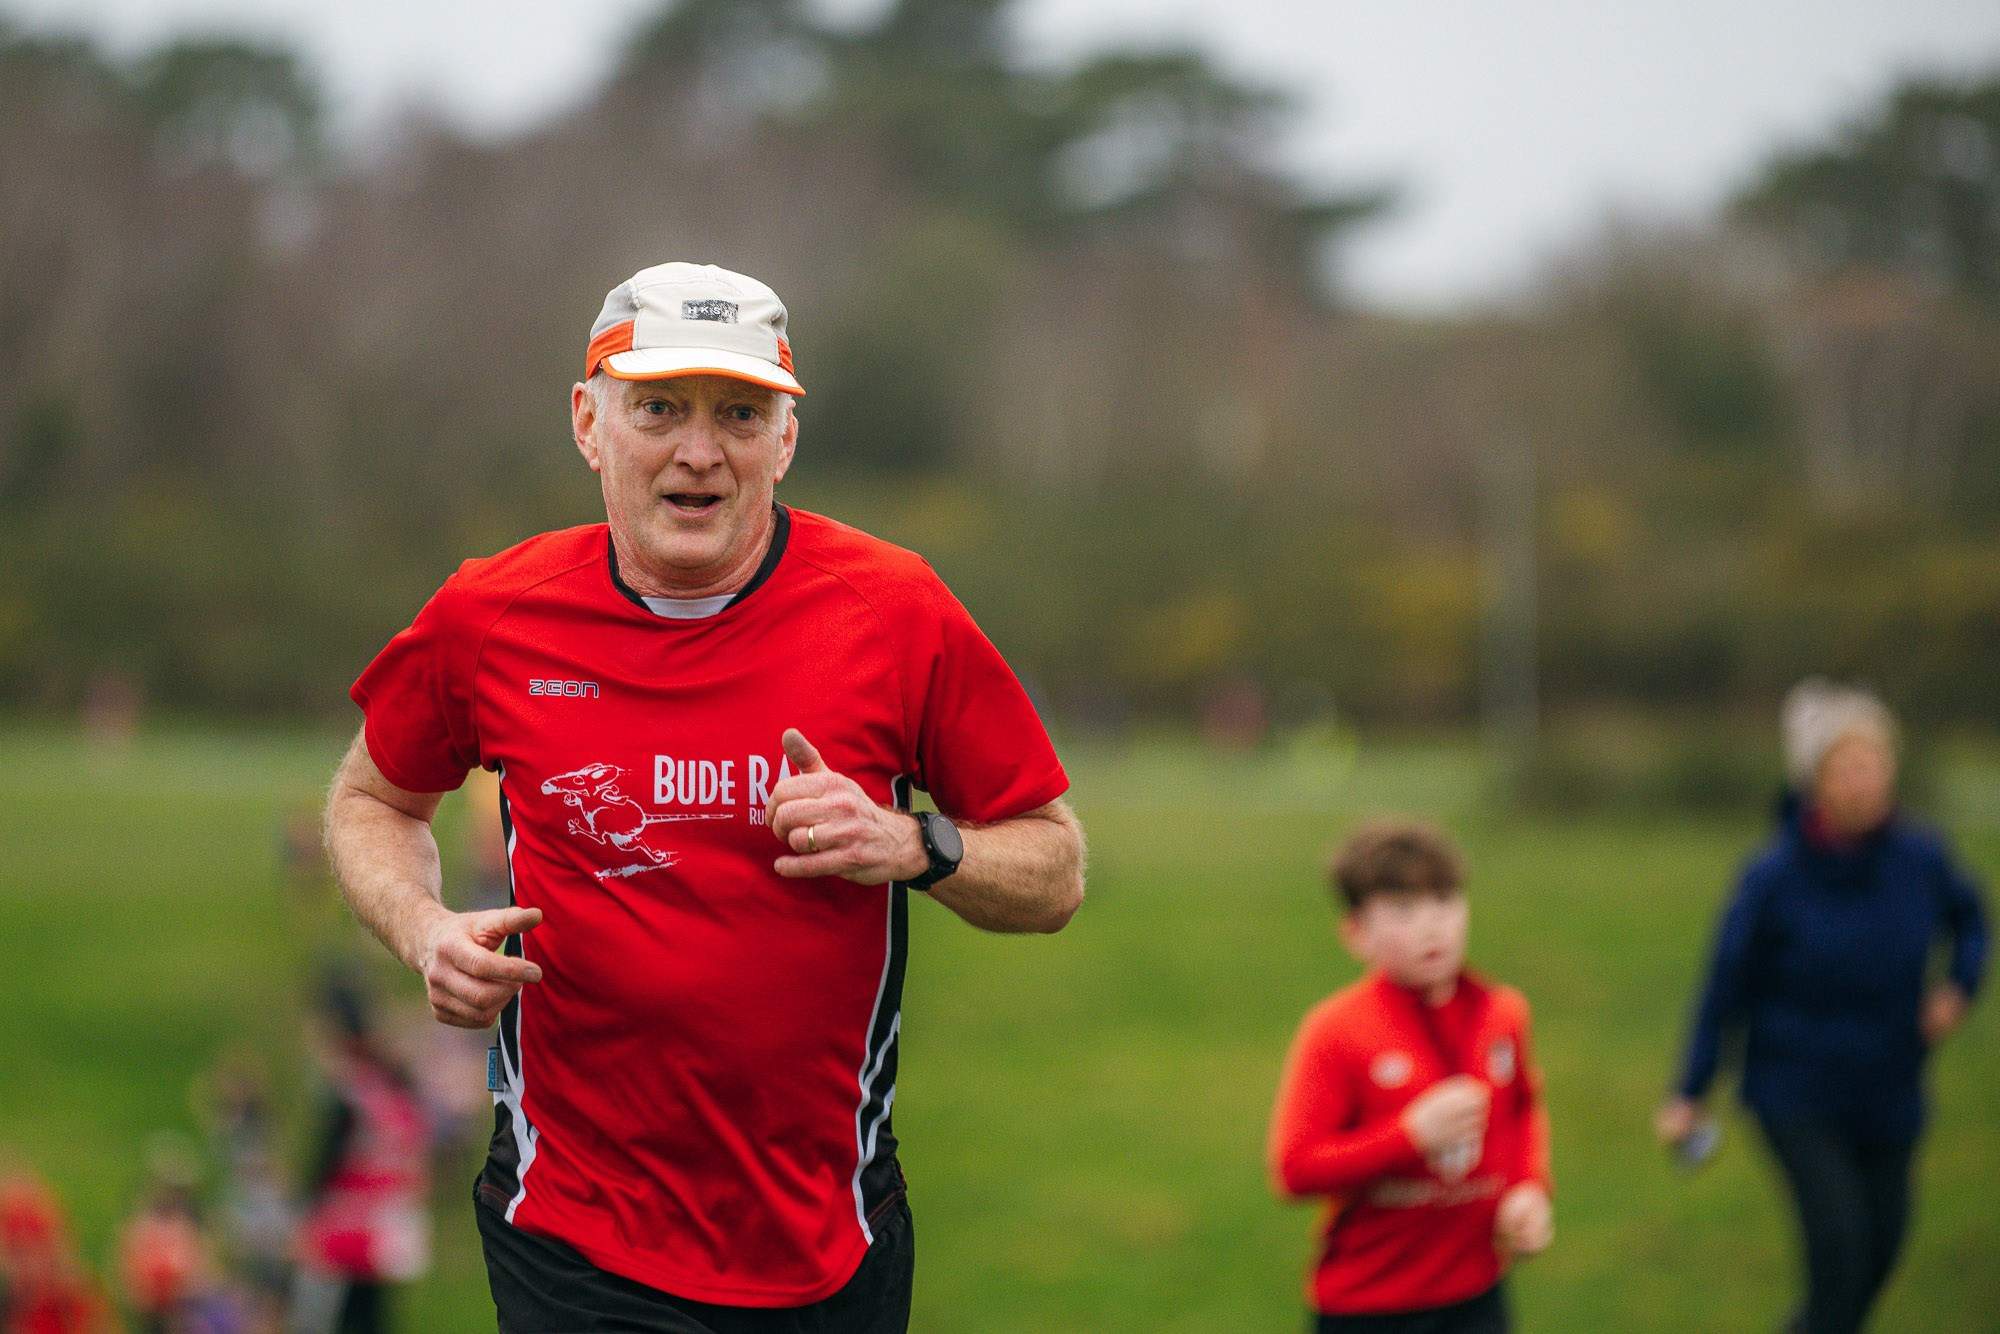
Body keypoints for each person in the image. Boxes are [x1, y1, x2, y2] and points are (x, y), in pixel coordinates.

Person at [321, 261, 1085, 1333]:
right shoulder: (492, 614)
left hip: (829, 1235)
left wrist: (914, 842)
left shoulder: (893, 610)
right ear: (589, 424)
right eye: (658, 408)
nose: (697, 449)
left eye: (738, 412)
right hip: (572, 1227)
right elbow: (372, 799)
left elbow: (1053, 867)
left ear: (784, 440)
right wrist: (421, 927)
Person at [1656, 680, 1988, 1334]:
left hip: (1891, 1086)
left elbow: (1971, 920)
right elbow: (1725, 985)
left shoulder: (1922, 857)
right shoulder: (1772, 877)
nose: (1865, 779)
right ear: (1815, 779)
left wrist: (1959, 987)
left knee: (1879, 1257)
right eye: (1847, 765)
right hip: (1795, 1091)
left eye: (1875, 762)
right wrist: (1690, 1090)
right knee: (1840, 1257)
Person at [1268, 818, 1552, 1334]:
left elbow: (1522, 1110)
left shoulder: (1503, 1013)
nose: (1432, 926)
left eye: (1445, 901)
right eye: (1403, 910)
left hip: (1478, 1292)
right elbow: (1294, 1169)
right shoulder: (1336, 1031)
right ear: (1356, 934)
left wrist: (1528, 1189)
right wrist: (1411, 1136)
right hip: (1369, 1306)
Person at [289, 980, 431, 1334]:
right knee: (374, 1316)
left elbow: (328, 1157)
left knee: (329, 1317)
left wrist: (303, 1210)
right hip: (390, 1218)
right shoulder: (391, 1083)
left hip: (347, 1225)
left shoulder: (348, 1090)